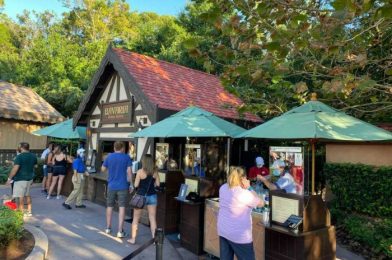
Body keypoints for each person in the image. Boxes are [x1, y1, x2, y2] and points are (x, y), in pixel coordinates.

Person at [218, 166, 264, 260]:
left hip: (223, 231)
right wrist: (249, 187)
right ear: (243, 179)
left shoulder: (223, 188)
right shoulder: (243, 193)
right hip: (239, 236)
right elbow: (261, 203)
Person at [101, 141, 133, 238]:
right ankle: (120, 231)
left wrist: (109, 170)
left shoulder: (109, 157)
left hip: (111, 185)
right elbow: (129, 172)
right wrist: (131, 184)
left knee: (109, 206)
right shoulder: (126, 157)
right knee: (122, 207)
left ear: (114, 148)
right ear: (122, 148)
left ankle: (108, 228)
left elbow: (102, 169)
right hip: (123, 186)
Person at [128, 154, 160, 244]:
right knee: (152, 218)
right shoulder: (155, 172)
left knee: (136, 218)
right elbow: (158, 184)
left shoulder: (140, 172)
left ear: (144, 162)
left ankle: (133, 239)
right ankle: (155, 240)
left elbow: (136, 185)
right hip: (152, 196)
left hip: (141, 196)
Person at [6, 142, 37, 217]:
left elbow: (15, 169)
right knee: (27, 195)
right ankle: (29, 212)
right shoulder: (33, 156)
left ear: (22, 148)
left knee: (20, 196)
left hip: (20, 179)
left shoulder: (19, 157)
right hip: (29, 179)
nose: (18, 148)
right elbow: (35, 166)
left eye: (19, 147)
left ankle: (21, 213)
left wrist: (9, 179)